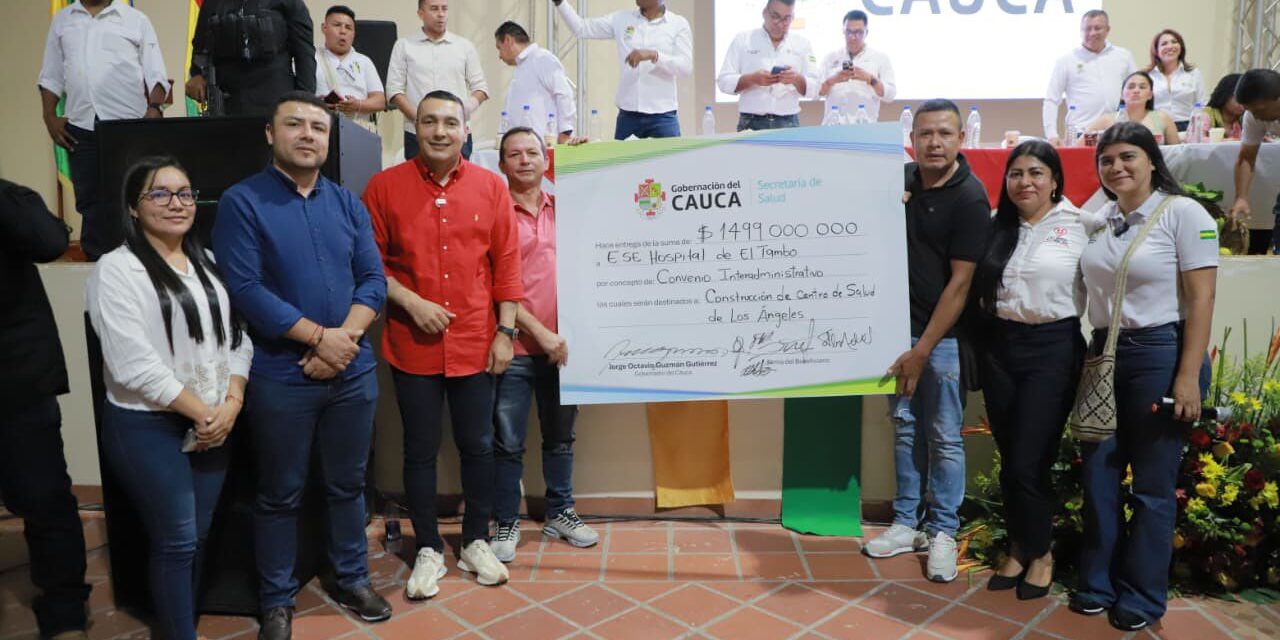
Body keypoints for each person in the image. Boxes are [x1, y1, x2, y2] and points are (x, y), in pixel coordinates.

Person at [212, 92, 390, 640]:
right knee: (279, 492)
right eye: (295, 124)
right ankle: (276, 600)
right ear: (271, 134)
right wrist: (319, 339)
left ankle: (352, 577)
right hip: (282, 377)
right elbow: (244, 288)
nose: (308, 135)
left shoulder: (346, 202)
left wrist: (343, 341)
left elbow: (373, 281)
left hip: (353, 372)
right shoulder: (242, 203)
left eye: (318, 126)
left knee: (347, 484)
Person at [362, 90, 521, 599]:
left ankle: (475, 539)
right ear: (416, 128)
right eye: (429, 121)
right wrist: (411, 302)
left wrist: (506, 331)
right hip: (413, 345)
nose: (439, 131)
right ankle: (428, 546)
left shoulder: (491, 188)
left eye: (450, 122)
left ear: (465, 131)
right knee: (420, 451)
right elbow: (370, 265)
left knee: (478, 446)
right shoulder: (384, 188)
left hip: (477, 342)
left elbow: (507, 266)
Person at [86, 157, 252, 640]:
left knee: (195, 539)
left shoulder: (209, 263)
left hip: (216, 419)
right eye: (159, 194)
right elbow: (131, 364)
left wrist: (233, 401)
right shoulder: (117, 270)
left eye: (184, 193)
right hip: (148, 425)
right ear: (134, 208)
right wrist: (206, 414)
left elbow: (238, 337)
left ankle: (181, 625)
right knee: (177, 539)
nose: (176, 203)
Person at [1073, 122, 1218, 631]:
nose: (1117, 168)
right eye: (1106, 160)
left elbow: (1201, 299)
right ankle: (1096, 583)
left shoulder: (1183, 213)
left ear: (1152, 159)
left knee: (1152, 487)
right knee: (1099, 476)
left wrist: (1186, 376)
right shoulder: (1103, 217)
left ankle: (1142, 596)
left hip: (1160, 351)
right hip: (1105, 352)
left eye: (1128, 157)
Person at [864, 99, 991, 583]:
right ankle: (905, 522)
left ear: (960, 139)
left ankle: (941, 531)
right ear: (912, 139)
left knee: (942, 435)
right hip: (895, 332)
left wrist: (921, 351)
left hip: (941, 341)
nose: (933, 143)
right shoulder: (901, 182)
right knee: (903, 427)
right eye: (924, 134)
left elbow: (960, 286)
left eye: (944, 134)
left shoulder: (970, 197)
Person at [971, 141, 1097, 601]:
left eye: (1036, 173)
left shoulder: (1082, 225)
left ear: (1055, 180)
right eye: (1016, 173)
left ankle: (1041, 553)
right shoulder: (995, 227)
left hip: (1053, 348)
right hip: (1001, 348)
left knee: (1030, 458)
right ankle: (1020, 547)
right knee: (1012, 459)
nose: (1025, 182)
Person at [488, 127, 598, 563]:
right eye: (514, 154)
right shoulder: (496, 214)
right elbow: (499, 285)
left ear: (545, 159)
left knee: (560, 438)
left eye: (533, 152)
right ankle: (506, 519)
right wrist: (539, 334)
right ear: (501, 165)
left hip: (563, 349)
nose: (525, 160)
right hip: (515, 347)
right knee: (507, 442)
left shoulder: (564, 208)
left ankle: (560, 511)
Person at [0, 179, 89, 640]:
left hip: (16, 378)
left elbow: (50, 241)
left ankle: (65, 611)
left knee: (44, 498)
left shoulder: (7, 200)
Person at [38, 0, 169, 261]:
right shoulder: (62, 21)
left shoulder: (135, 19)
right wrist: (49, 117)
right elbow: (50, 75)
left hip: (128, 129)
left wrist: (154, 109)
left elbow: (157, 76)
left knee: (132, 199)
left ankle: (139, 267)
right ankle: (96, 269)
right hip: (81, 128)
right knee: (90, 204)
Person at [551, 0, 692, 140]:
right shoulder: (621, 19)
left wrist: (654, 55)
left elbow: (685, 67)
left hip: (663, 117)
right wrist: (560, 3)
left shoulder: (678, 24)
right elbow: (581, 28)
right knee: (623, 163)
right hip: (628, 117)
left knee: (669, 163)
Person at [386, 0, 488, 160]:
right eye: (434, 9)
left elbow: (481, 88)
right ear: (420, 13)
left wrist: (465, 110)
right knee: (419, 183)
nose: (440, 14)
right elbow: (394, 90)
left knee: (459, 182)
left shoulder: (464, 46)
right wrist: (419, 119)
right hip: (417, 131)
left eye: (444, 9)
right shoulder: (404, 45)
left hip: (457, 131)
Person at [187, 0, 316, 117]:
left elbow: (304, 53)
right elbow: (200, 46)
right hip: (226, 102)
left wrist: (304, 102)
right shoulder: (212, 3)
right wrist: (197, 74)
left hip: (275, 102)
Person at [717, 0, 820, 131]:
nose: (779, 24)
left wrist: (796, 79)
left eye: (786, 19)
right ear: (764, 13)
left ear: (792, 18)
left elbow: (816, 87)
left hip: (789, 122)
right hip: (751, 122)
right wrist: (752, 79)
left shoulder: (802, 44)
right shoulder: (743, 40)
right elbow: (723, 81)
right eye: (775, 16)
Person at [1043, 9, 1137, 145]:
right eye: (1087, 29)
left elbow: (1137, 92)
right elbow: (1051, 100)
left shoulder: (1124, 56)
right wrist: (1051, 135)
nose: (1092, 33)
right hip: (1081, 133)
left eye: (1097, 28)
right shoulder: (1066, 60)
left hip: (1117, 132)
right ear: (1081, 31)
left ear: (1108, 30)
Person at [1226, 69, 1280, 253]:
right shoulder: (1253, 115)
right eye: (1249, 110)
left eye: (1259, 109)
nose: (1255, 116)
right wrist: (1241, 196)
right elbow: (1246, 157)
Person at [495, 21, 576, 144]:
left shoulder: (541, 58)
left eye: (499, 48)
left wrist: (565, 132)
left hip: (543, 145)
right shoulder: (521, 68)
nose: (499, 56)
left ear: (508, 40)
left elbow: (564, 94)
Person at [818, 10, 896, 122]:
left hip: (865, 128)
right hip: (833, 127)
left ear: (866, 32)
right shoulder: (830, 57)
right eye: (848, 32)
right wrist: (833, 80)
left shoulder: (880, 58)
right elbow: (816, 93)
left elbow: (890, 95)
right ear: (843, 31)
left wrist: (870, 79)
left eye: (858, 32)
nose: (852, 37)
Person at [315, 5, 386, 121]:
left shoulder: (364, 61)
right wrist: (317, 104)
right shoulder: (312, 58)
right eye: (337, 25)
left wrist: (358, 105)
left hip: (357, 127)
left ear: (354, 33)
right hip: (321, 125)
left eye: (348, 27)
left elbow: (380, 101)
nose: (343, 31)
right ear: (324, 28)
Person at [1083, 72, 1181, 145]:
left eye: (1142, 87)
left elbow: (1176, 154)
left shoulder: (1163, 118)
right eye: (1131, 87)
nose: (1136, 91)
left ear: (1150, 95)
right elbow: (1078, 147)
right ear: (1121, 94)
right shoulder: (1106, 120)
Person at [1146, 29, 1206, 131]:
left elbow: (1203, 102)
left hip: (1189, 126)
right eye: (1164, 44)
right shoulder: (1148, 75)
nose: (1170, 46)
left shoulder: (1193, 73)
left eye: (1174, 42)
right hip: (1157, 126)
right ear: (1156, 50)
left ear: (1181, 47)